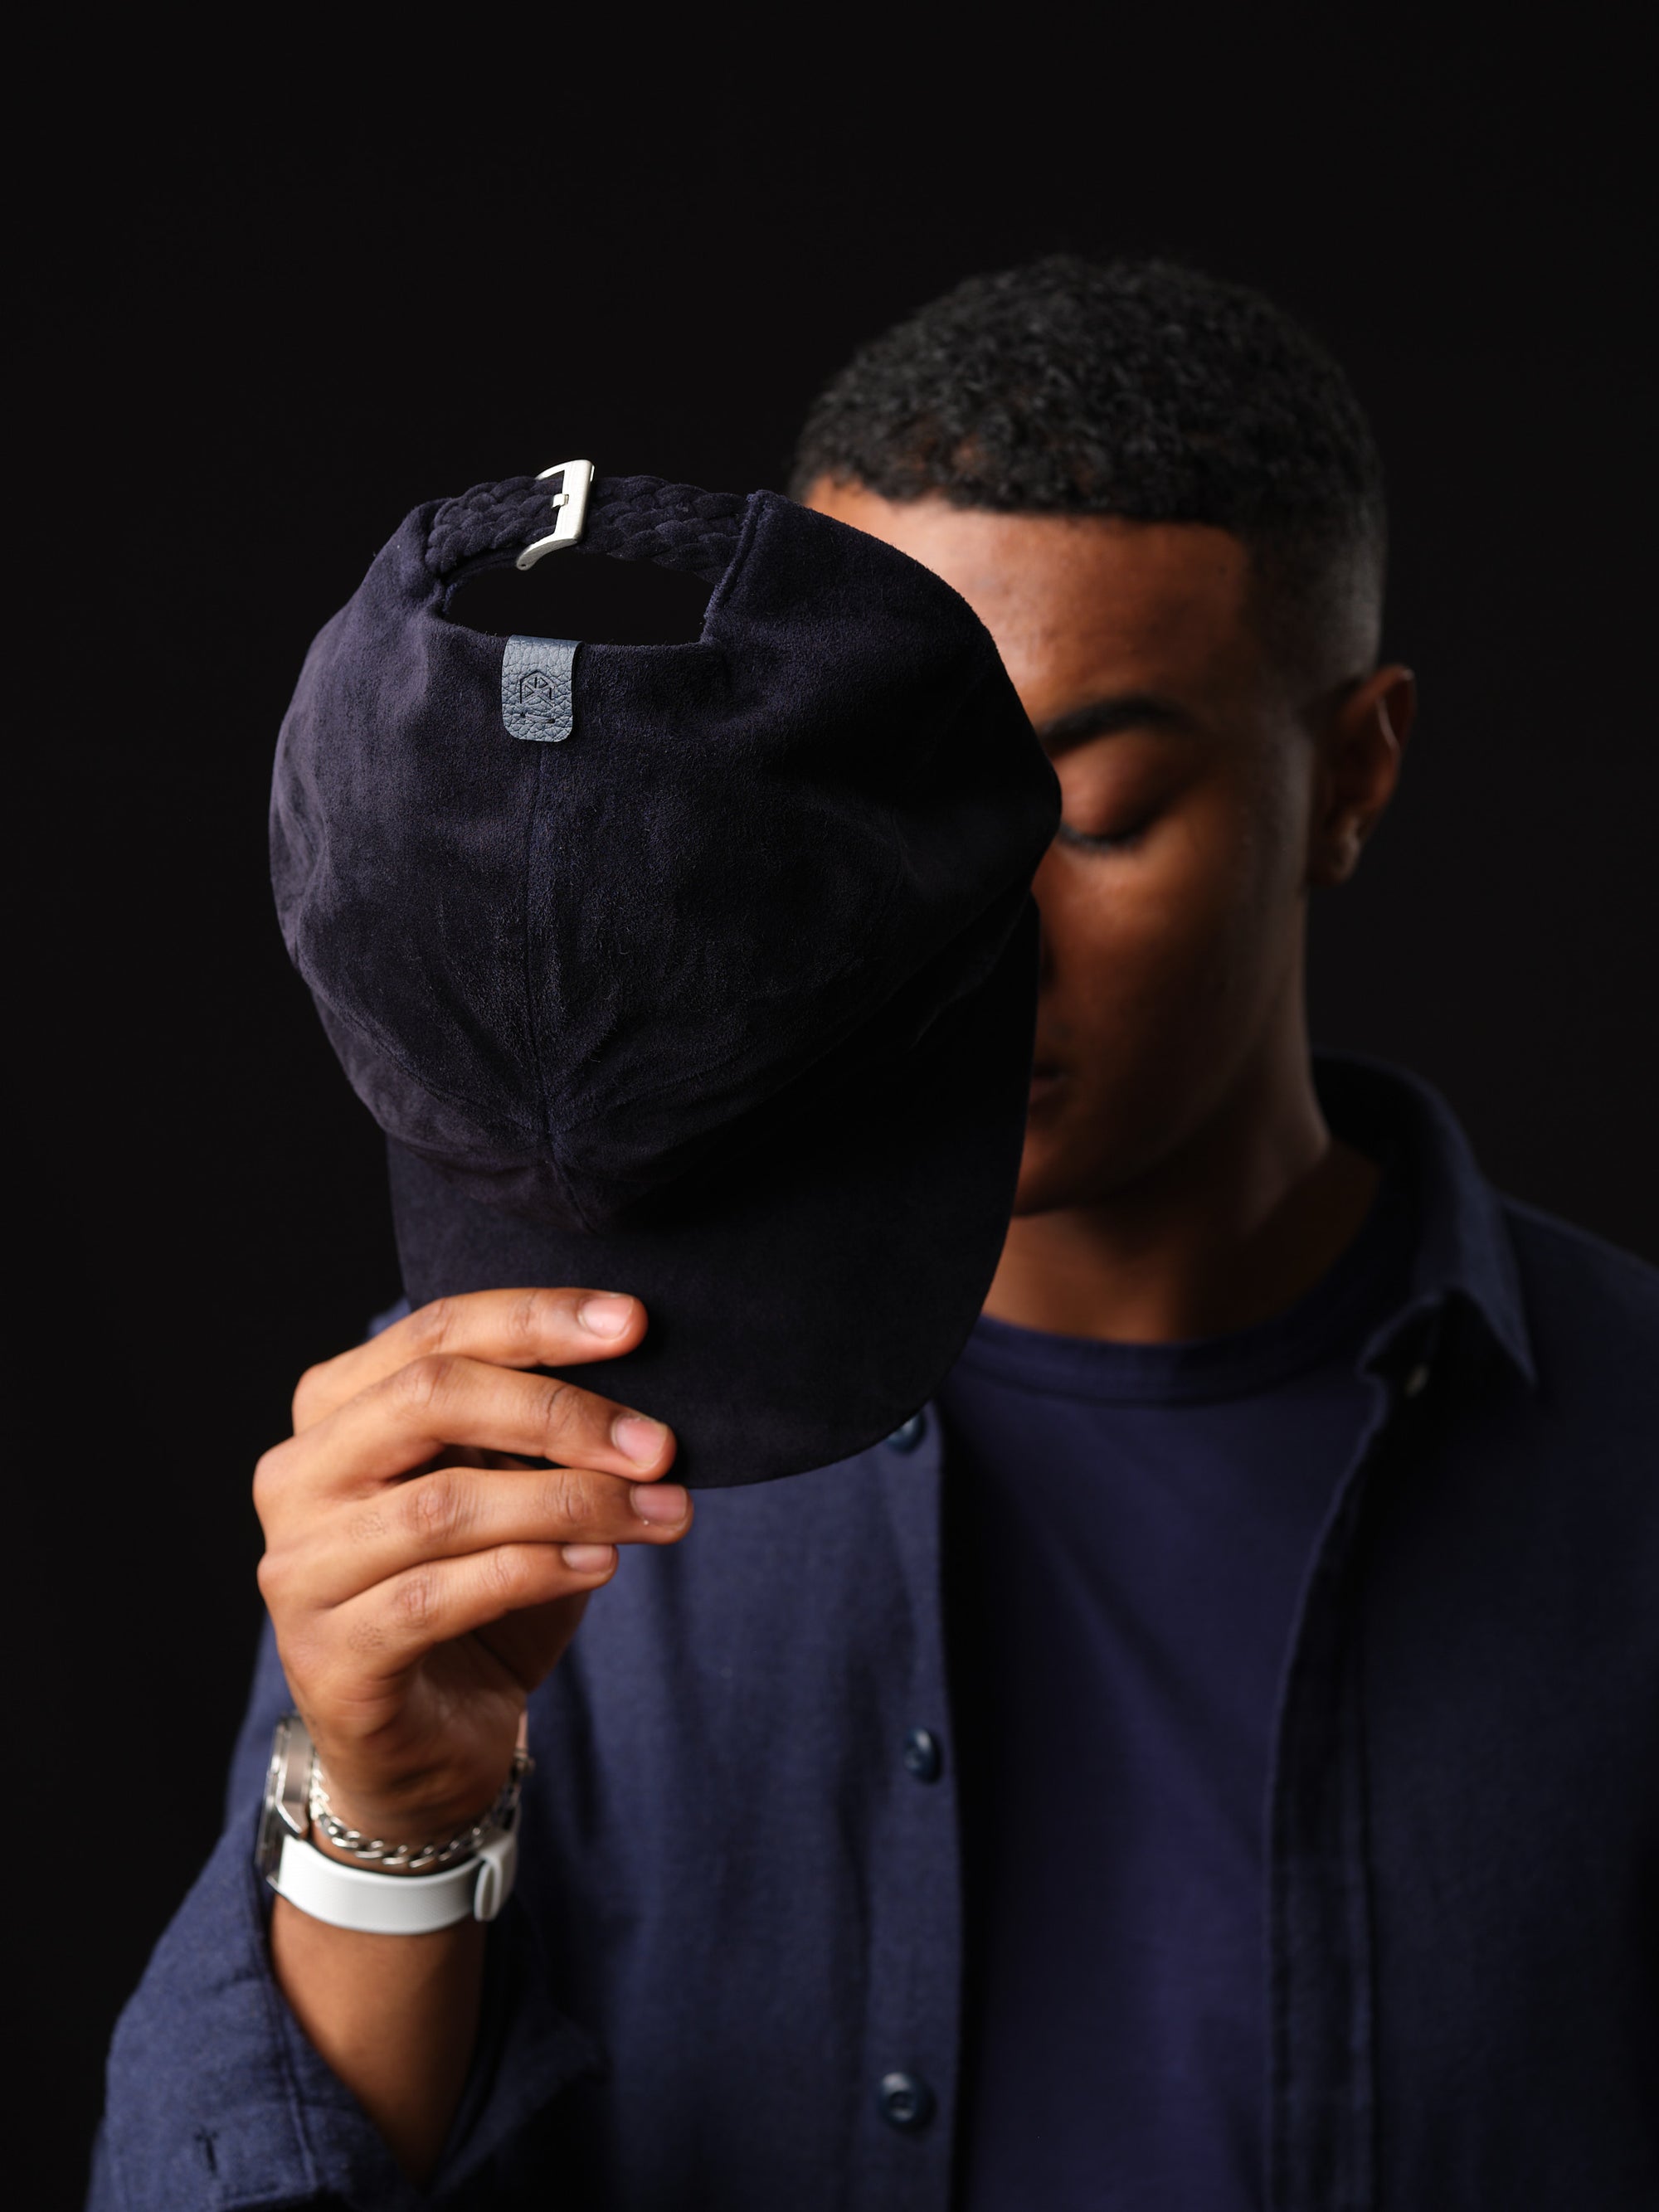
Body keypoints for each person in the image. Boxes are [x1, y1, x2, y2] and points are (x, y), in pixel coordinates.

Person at [93, 258, 1658, 2211]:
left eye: (1083, 809)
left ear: (1350, 771)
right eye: (869, 820)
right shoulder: (504, 1415)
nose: (956, 943)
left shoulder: (1621, 1456)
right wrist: (383, 1823)